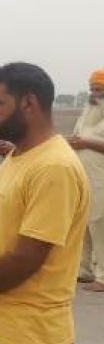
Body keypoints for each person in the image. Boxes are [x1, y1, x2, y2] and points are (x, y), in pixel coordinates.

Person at [0, 62, 90, 344]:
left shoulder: (54, 167)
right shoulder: (18, 156)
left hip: (27, 332)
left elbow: (26, 258)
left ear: (28, 103)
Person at [69, 68, 104, 292]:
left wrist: (86, 143)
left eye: (99, 90)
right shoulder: (88, 112)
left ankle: (102, 276)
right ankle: (84, 270)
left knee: (100, 226)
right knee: (83, 224)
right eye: (92, 89)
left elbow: (88, 142)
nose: (94, 94)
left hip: (101, 179)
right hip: (83, 178)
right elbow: (78, 137)